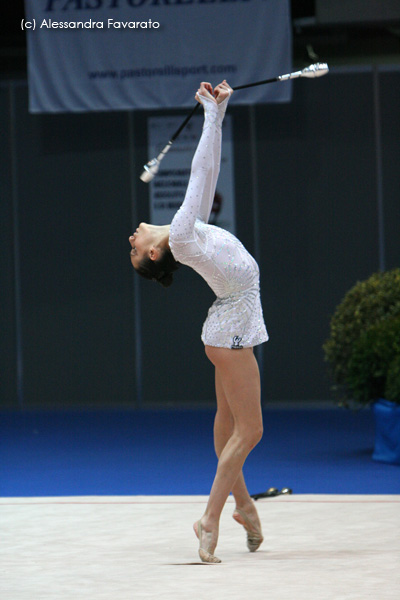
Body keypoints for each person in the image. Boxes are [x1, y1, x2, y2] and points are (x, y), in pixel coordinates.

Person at [129, 81, 269, 563]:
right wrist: (210, 113)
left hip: (228, 323)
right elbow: (202, 170)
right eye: (134, 248)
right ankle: (210, 519)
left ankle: (245, 507)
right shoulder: (184, 237)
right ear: (154, 252)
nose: (132, 234)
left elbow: (206, 177)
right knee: (250, 431)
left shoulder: (184, 231)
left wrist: (219, 110)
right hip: (231, 326)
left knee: (228, 421)